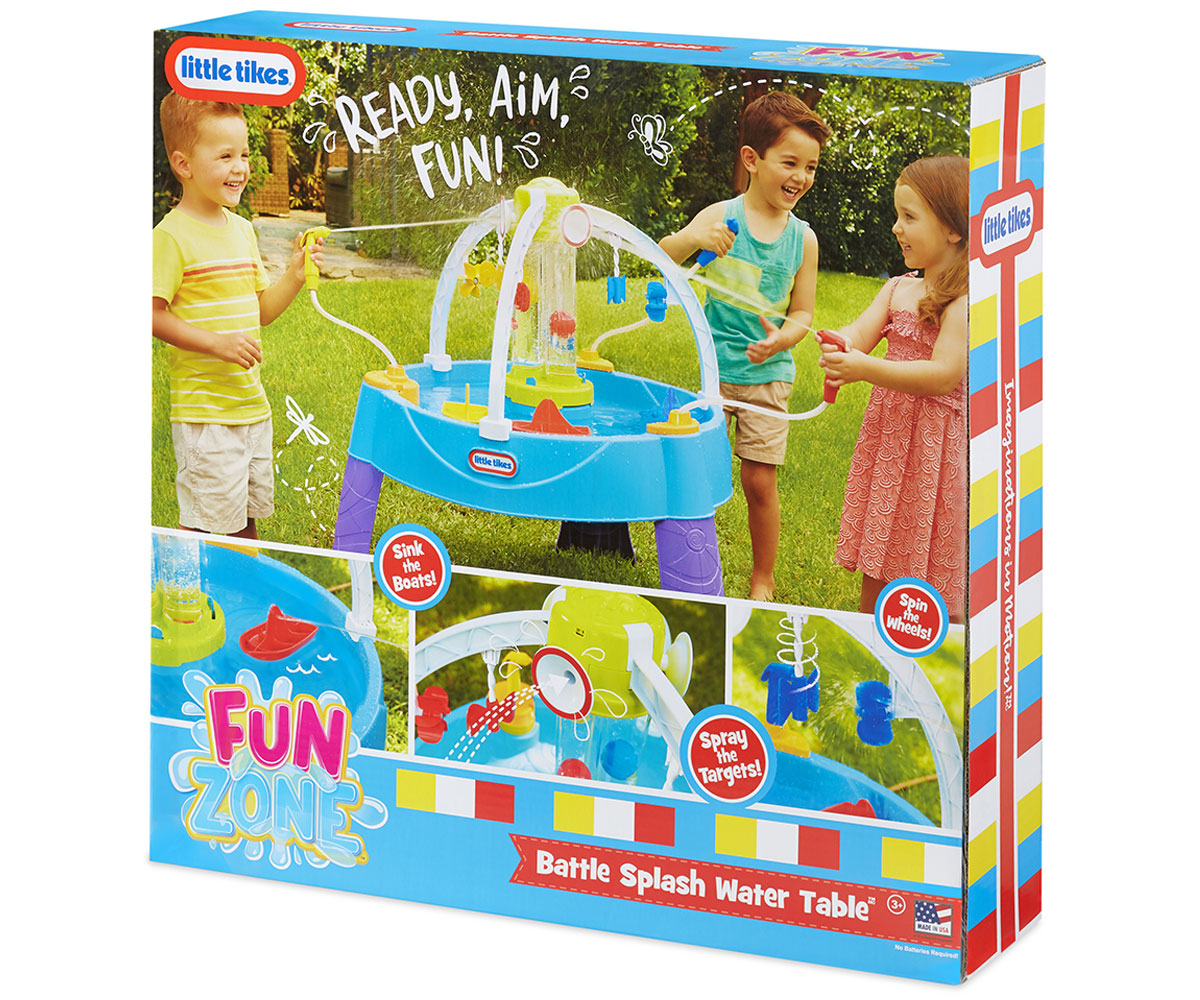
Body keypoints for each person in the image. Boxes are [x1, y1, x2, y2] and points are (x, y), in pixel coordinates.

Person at [660, 92, 830, 600]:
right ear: (752, 160)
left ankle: (762, 578)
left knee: (759, 482)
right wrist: (697, 239)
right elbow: (664, 255)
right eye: (790, 163)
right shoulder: (721, 217)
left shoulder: (803, 239)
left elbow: (803, 312)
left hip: (768, 377)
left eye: (811, 167)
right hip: (715, 372)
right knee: (699, 472)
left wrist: (784, 338)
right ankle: (693, 560)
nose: (801, 177)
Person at [152, 92, 322, 539]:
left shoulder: (243, 231)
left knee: (245, 521)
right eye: (225, 156)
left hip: (250, 407)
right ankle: (189, 584)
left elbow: (261, 310)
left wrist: (295, 275)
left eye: (244, 154)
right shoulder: (171, 236)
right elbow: (150, 315)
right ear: (184, 164)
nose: (240, 167)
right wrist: (216, 343)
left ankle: (245, 582)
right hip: (206, 415)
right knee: (206, 525)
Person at [818, 156, 969, 620]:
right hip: (890, 440)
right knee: (882, 547)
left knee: (933, 554)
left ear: (953, 229)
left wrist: (864, 368)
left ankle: (948, 643)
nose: (896, 227)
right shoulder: (898, 288)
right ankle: (872, 634)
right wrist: (838, 342)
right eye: (897, 215)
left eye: (909, 216)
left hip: (934, 451)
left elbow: (944, 374)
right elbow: (858, 335)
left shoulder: (964, 301)